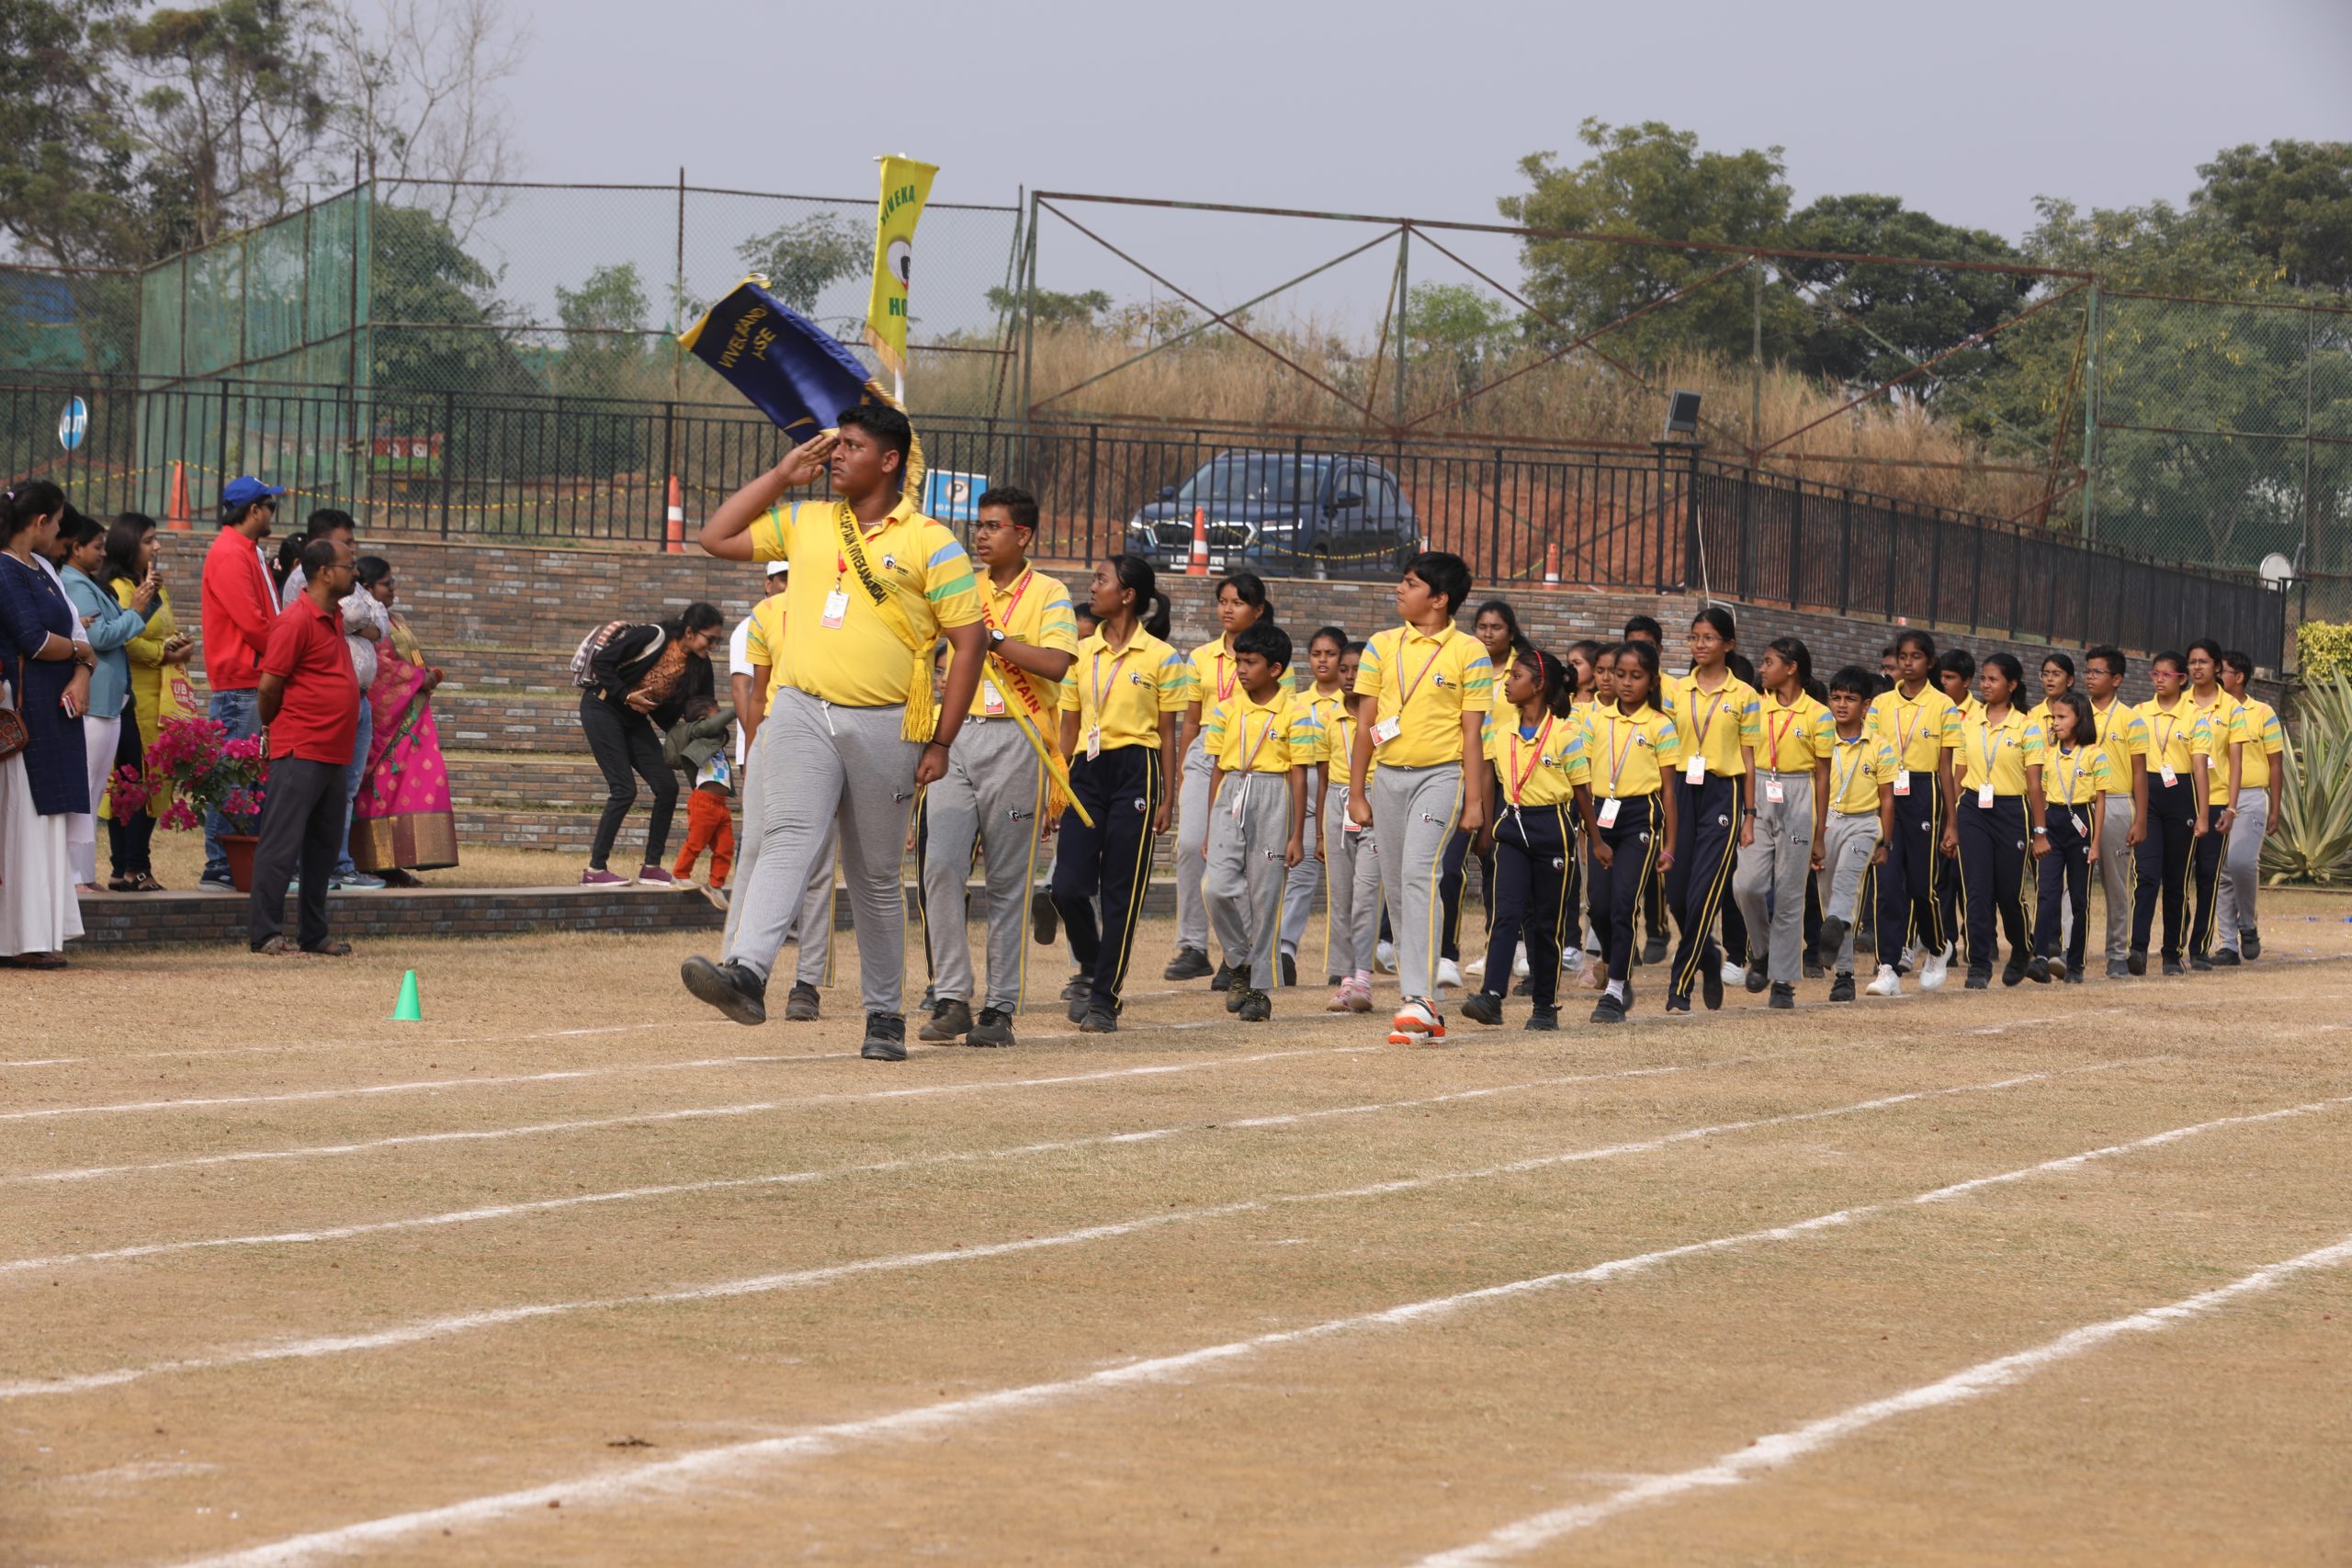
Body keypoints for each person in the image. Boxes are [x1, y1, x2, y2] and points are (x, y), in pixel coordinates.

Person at [681, 405, 988, 1061]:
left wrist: (941, 741)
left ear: (890, 460)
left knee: (874, 876)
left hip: (887, 721)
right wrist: (781, 475)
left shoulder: (933, 541)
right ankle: (748, 972)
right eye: (835, 444)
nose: (836, 455)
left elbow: (969, 644)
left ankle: (884, 1017)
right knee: (787, 837)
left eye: (851, 445)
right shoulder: (807, 518)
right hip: (799, 708)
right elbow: (715, 535)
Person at [914, 485, 1079, 1048]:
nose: (980, 536)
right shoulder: (961, 586)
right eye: (978, 526)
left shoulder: (1050, 592)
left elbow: (1056, 663)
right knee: (940, 867)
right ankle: (951, 995)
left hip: (1018, 738)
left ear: (1022, 534)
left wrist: (995, 639)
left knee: (1007, 882)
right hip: (955, 736)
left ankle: (1000, 1008)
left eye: (993, 526)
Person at [1348, 551, 1492, 1045]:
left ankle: (1418, 998)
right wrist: (1357, 791)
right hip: (1388, 777)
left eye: (1411, 583)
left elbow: (1472, 735)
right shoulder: (1381, 645)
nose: (1400, 589)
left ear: (1439, 598)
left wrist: (1474, 801)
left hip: (1441, 777)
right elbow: (1366, 724)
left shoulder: (1469, 651)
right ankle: (1424, 1005)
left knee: (1418, 875)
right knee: (1396, 886)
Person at [1051, 555, 1186, 1032]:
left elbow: (1167, 734)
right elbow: (1069, 725)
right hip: (1085, 771)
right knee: (1066, 887)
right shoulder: (1080, 652)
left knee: (1120, 892)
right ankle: (1091, 963)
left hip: (1137, 772)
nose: (1093, 587)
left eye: (1101, 580)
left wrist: (1167, 798)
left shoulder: (1162, 657)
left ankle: (1104, 998)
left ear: (1127, 595)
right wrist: (1057, 786)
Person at [1461, 642, 1589, 1032]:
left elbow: (1582, 791)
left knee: (1546, 924)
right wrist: (1486, 826)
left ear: (1537, 686)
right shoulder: (1501, 733)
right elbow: (1493, 778)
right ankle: (1491, 996)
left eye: (1516, 676)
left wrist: (1596, 841)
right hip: (1513, 826)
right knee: (1506, 914)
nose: (1507, 682)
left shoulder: (1565, 733)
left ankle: (1545, 1006)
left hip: (1553, 828)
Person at [248, 536, 361, 957]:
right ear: (325, 572)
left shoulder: (334, 618)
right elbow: (269, 687)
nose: (355, 572)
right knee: (281, 844)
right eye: (349, 566)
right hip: (301, 747)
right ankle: (266, 934)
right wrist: (275, 726)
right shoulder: (295, 620)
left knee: (322, 850)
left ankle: (314, 934)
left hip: (334, 751)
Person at [1168, 571, 1280, 987]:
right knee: (1190, 845)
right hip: (1205, 755)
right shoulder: (1200, 657)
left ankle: (1239, 954)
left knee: (1243, 861)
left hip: (1250, 757)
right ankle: (1193, 946)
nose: (1228, 609)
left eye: (1238, 602)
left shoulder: (1272, 654)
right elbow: (1190, 720)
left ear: (1258, 610)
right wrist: (1184, 771)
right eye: (1223, 601)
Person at [1201, 621, 1315, 1022]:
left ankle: (1259, 990)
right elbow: (1217, 768)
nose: (1242, 670)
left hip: (1273, 796)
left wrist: (1297, 834)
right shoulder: (1226, 709)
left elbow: (1299, 775)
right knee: (1215, 887)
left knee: (1265, 897)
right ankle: (1238, 960)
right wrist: (1210, 825)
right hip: (1232, 793)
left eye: (1251, 662)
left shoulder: (1296, 714)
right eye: (1239, 662)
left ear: (1276, 669)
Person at [0, 481, 94, 967]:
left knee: (49, 819)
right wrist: (81, 652)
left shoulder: (44, 568)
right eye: (57, 522)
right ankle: (19, 937)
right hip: (23, 709)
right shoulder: (4, 569)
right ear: (39, 522)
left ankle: (39, 932)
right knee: (24, 820)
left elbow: (75, 633)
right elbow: (34, 640)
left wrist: (83, 671)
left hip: (57, 708)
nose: (60, 532)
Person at [578, 603, 723, 887]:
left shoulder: (700, 666)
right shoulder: (652, 636)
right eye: (710, 639)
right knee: (624, 789)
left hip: (634, 719)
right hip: (602, 707)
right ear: (690, 632)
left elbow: (702, 706)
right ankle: (595, 869)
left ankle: (651, 867)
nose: (714, 646)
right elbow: (602, 662)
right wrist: (626, 694)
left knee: (667, 787)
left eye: (718, 641)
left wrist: (708, 728)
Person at [1660, 605, 1757, 1013]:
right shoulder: (1676, 691)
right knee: (1677, 895)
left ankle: (1679, 987)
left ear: (1728, 644)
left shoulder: (1745, 695)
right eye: (1694, 637)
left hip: (1723, 794)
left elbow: (1749, 759)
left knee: (1703, 895)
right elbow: (1665, 750)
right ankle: (1708, 956)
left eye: (1709, 638)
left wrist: (1750, 815)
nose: (1700, 645)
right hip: (1681, 790)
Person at [58, 513, 160, 891]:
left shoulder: (88, 582)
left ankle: (84, 874)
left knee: (94, 790)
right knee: (82, 791)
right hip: (95, 699)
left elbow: (119, 625)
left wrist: (144, 603)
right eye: (96, 547)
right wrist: (135, 611)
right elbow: (99, 637)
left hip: (110, 700)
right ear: (75, 548)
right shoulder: (74, 583)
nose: (103, 554)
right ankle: (73, 876)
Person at [1582, 640, 1679, 1023]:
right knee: (1598, 905)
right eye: (1619, 674)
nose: (1625, 682)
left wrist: (1669, 845)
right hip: (1600, 815)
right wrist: (1588, 830)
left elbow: (1669, 790)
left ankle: (1615, 988)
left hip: (1640, 818)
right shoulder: (1595, 720)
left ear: (1652, 681)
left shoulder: (1660, 725)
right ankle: (1613, 959)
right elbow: (1582, 777)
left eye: (1635, 676)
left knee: (1624, 903)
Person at [1734, 637, 1832, 1010]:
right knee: (1747, 885)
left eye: (1769, 662)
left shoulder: (1818, 715)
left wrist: (1819, 833)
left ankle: (1783, 981)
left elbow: (1822, 775)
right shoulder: (1755, 707)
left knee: (1790, 894)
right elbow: (1745, 758)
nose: (1762, 668)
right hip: (1758, 792)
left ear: (1791, 668)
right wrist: (1748, 811)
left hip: (1798, 794)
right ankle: (1762, 952)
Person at [346, 558, 458, 882]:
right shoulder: (365, 624)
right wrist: (418, 678)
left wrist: (426, 674)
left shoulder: (392, 620)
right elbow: (379, 667)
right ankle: (374, 861)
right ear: (367, 588)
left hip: (411, 721)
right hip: (388, 727)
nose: (393, 589)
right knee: (382, 792)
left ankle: (398, 859)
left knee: (413, 787)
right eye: (387, 584)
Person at [198, 476, 283, 891]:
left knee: (248, 776)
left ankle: (238, 860)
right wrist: (286, 656)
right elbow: (253, 623)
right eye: (270, 507)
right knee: (232, 775)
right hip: (240, 681)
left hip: (251, 678)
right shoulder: (231, 552)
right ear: (253, 510)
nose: (272, 514)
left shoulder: (245, 550)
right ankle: (219, 863)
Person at [1864, 630, 1960, 996]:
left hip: (1924, 792)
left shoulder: (1943, 705)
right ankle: (1887, 966)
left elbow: (1946, 768)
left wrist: (1951, 822)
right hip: (1886, 790)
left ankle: (1937, 947)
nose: (1908, 663)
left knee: (1922, 885)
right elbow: (1870, 752)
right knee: (1887, 885)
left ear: (1930, 662)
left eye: (1916, 656)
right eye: (1902, 656)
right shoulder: (1881, 704)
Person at [100, 513, 192, 891]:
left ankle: (128, 865)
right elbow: (125, 638)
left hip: (162, 698)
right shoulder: (119, 588)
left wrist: (179, 644)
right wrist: (163, 654)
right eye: (148, 540)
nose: (156, 546)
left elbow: (165, 628)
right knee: (133, 781)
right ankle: (132, 866)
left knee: (152, 780)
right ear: (128, 544)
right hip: (135, 697)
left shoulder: (151, 584)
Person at [1943, 651, 2046, 988]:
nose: (1986, 685)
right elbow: (1959, 777)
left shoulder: (2028, 727)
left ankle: (2022, 947)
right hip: (1973, 808)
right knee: (1976, 890)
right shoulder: (1968, 723)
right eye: (1983, 679)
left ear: (2012, 684)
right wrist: (1951, 824)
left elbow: (2035, 784)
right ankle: (1978, 964)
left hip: (2012, 811)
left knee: (2008, 893)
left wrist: (2040, 832)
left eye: (1993, 679)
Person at [1440, 599, 1521, 986]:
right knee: (1450, 865)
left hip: (1513, 776)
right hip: (1470, 768)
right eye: (1482, 627)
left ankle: (1503, 945)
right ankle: (1445, 952)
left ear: (1511, 632)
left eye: (1496, 627)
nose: (1488, 634)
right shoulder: (1464, 663)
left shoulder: (1522, 670)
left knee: (1497, 863)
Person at [1814, 666, 1896, 1003]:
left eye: (1850, 699)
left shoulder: (1880, 747)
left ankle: (1842, 966)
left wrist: (1885, 842)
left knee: (1845, 888)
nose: (1841, 705)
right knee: (1830, 900)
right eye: (1836, 698)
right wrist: (1814, 834)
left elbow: (1887, 798)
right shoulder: (1821, 740)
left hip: (1863, 826)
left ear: (1866, 706)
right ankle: (1844, 975)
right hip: (1826, 826)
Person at [2129, 651, 2206, 977]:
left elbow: (2200, 767)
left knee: (2176, 879)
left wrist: (2203, 813)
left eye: (2166, 675)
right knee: (2146, 875)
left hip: (2181, 795)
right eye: (2155, 674)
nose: (2159, 680)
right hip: (2148, 793)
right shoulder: (2139, 712)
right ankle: (2137, 949)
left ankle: (2172, 953)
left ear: (2181, 679)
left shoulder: (2195, 715)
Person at [2030, 690, 2113, 985]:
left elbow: (2100, 801)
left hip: (2081, 822)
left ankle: (2076, 962)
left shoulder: (2095, 754)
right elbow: (2040, 793)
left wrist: (2095, 843)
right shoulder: (2048, 754)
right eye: (2054, 717)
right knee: (2047, 892)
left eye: (2062, 717)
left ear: (2080, 719)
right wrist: (2039, 831)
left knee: (2079, 898)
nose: (2055, 722)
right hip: (2052, 822)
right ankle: (2041, 957)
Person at [321, 536, 390, 892]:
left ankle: (341, 864)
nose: (353, 553)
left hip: (360, 699)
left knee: (347, 788)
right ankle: (321, 864)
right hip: (337, 699)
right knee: (325, 786)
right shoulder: (325, 590)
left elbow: (381, 624)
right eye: (347, 543)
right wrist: (364, 622)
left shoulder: (357, 590)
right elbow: (350, 617)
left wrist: (366, 621)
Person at [1287, 625, 1351, 985]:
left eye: (1330, 654)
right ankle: (1284, 950)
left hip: (1340, 789)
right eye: (1316, 654)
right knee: (1299, 872)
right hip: (1303, 786)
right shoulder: (1296, 703)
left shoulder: (1353, 701)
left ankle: (1345, 962)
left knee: (1345, 883)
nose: (1322, 660)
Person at [2211, 650, 2282, 967]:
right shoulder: (2210, 712)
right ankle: (2227, 944)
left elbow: (2276, 764)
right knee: (2221, 871)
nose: (2216, 676)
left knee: (2241, 863)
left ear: (2239, 677)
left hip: (2251, 798)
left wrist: (2275, 808)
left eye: (2222, 671)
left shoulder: (2263, 713)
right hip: (2216, 796)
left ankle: (2248, 924)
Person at [2081, 646, 2144, 979]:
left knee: (2116, 883)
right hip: (2080, 803)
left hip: (2118, 804)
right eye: (2087, 671)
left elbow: (2140, 773)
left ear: (2116, 679)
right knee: (2071, 881)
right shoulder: (2076, 711)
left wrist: (2141, 818)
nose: (2090, 677)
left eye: (2098, 672)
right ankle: (2069, 951)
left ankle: (2117, 953)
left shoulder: (2131, 719)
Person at [1321, 640, 1374, 1012]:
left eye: (1358, 669)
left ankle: (1364, 979)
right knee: (1340, 896)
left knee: (1366, 894)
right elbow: (1322, 775)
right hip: (1336, 803)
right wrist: (1317, 832)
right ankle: (1345, 981)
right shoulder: (1328, 717)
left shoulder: (1383, 716)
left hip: (1374, 801)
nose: (1351, 676)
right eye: (1344, 670)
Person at [1622, 614, 1671, 964]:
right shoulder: (1617, 692)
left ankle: (1656, 927)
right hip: (1618, 788)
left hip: (1656, 787)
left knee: (1654, 865)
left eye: (1647, 646)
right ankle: (1623, 942)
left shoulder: (1674, 691)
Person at [2182, 638, 2233, 969]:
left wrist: (2231, 807)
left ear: (2217, 666)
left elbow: (2236, 762)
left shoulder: (2232, 709)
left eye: (2203, 662)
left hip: (2216, 802)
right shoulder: (2179, 703)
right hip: (2180, 802)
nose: (2197, 667)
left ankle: (2199, 946)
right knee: (2176, 876)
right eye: (2192, 662)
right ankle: (2175, 940)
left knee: (2207, 876)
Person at [665, 695, 738, 893]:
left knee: (725, 847)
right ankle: (680, 876)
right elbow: (709, 726)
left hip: (720, 804)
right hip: (704, 802)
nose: (721, 716)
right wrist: (736, 709)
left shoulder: (712, 742)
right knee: (696, 843)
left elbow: (714, 727)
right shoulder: (696, 733)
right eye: (717, 712)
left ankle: (715, 885)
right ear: (702, 719)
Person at [277, 508, 356, 609]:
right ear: (320, 544)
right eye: (345, 543)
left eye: (353, 542)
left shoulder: (342, 570)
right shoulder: (304, 577)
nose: (352, 549)